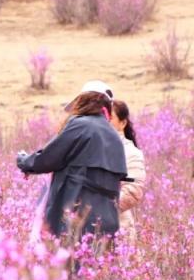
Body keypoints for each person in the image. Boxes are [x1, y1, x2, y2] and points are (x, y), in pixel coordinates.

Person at [17, 81, 126, 240]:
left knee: (70, 255)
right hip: (106, 223)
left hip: (75, 218)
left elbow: (48, 158)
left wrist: (24, 162)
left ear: (83, 101)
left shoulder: (80, 125)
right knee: (98, 255)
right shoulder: (115, 137)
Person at [110, 100, 146, 243]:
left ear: (123, 123)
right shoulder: (91, 146)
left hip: (119, 229)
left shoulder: (130, 152)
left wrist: (99, 208)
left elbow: (132, 191)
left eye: (109, 118)